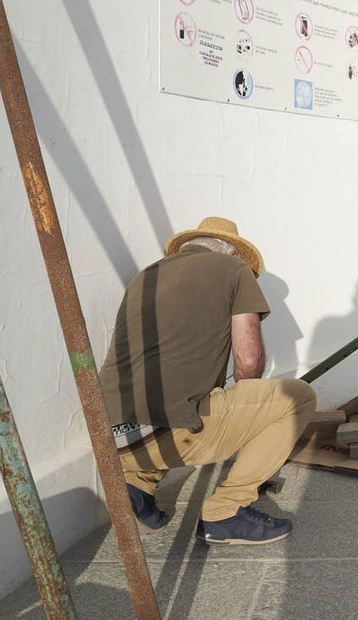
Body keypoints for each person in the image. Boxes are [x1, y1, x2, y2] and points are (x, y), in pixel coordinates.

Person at [99, 216, 317, 544]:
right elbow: (248, 361)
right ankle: (227, 511)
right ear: (232, 254)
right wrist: (247, 411)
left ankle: (136, 490)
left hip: (110, 437)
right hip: (171, 434)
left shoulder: (146, 275)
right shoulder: (233, 270)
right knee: (297, 397)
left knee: (174, 397)